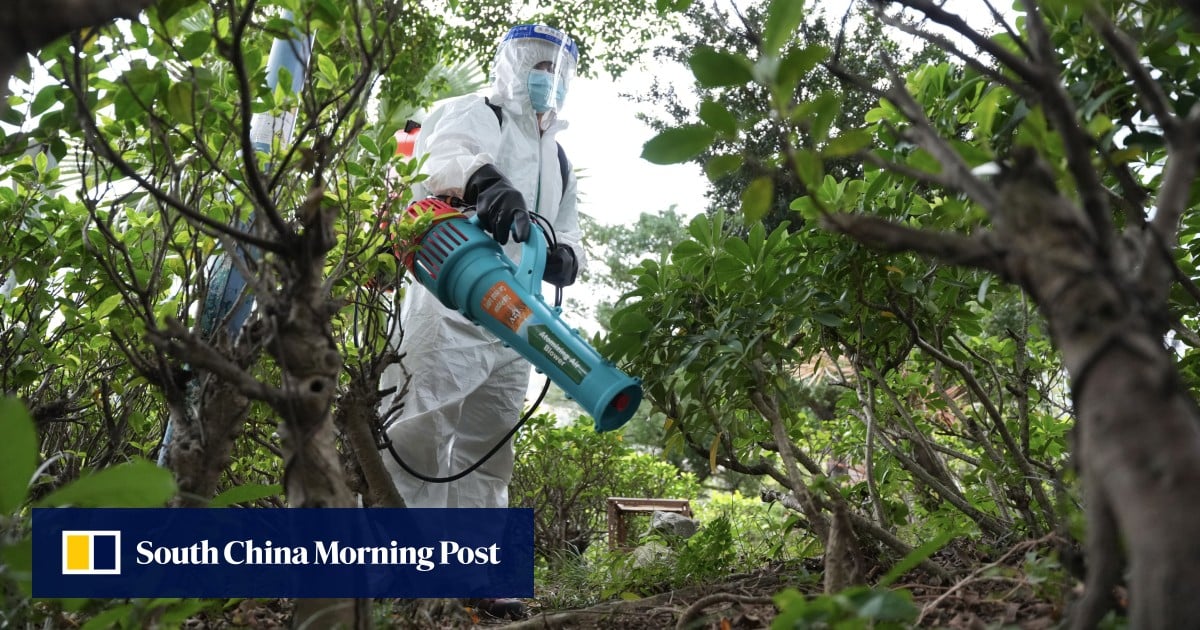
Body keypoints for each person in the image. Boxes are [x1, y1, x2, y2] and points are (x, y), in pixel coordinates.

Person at [377, 25, 584, 514]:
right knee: (417, 435)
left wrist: (566, 257)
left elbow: (568, 227)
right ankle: (410, 578)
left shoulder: (558, 158)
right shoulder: (476, 111)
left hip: (516, 317)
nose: (547, 78)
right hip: (450, 303)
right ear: (514, 66)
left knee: (488, 450)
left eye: (556, 70)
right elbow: (440, 156)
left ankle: (477, 577)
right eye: (538, 66)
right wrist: (484, 181)